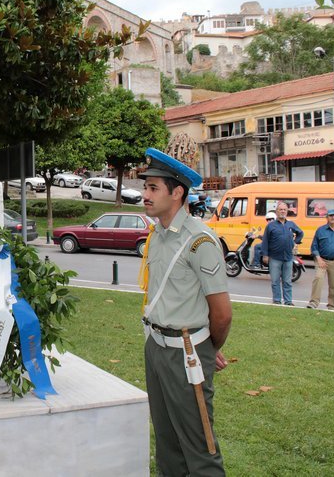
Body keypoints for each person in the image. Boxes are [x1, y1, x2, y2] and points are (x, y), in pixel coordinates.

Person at [138, 148, 232, 476]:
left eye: (153, 188)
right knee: (167, 444)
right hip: (156, 348)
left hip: (187, 353)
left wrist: (207, 348)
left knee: (199, 446)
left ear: (177, 193)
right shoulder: (158, 235)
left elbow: (222, 313)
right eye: (145, 187)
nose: (145, 195)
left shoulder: (199, 241)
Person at [261, 201, 303, 306]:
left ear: (287, 211)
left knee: (287, 281)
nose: (282, 211)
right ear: (277, 211)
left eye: (284, 210)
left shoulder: (291, 224)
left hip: (288, 257)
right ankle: (277, 300)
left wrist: (295, 242)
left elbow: (300, 233)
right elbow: (265, 241)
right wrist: (265, 255)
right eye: (280, 210)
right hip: (274, 257)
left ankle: (288, 301)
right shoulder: (271, 226)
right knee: (275, 281)